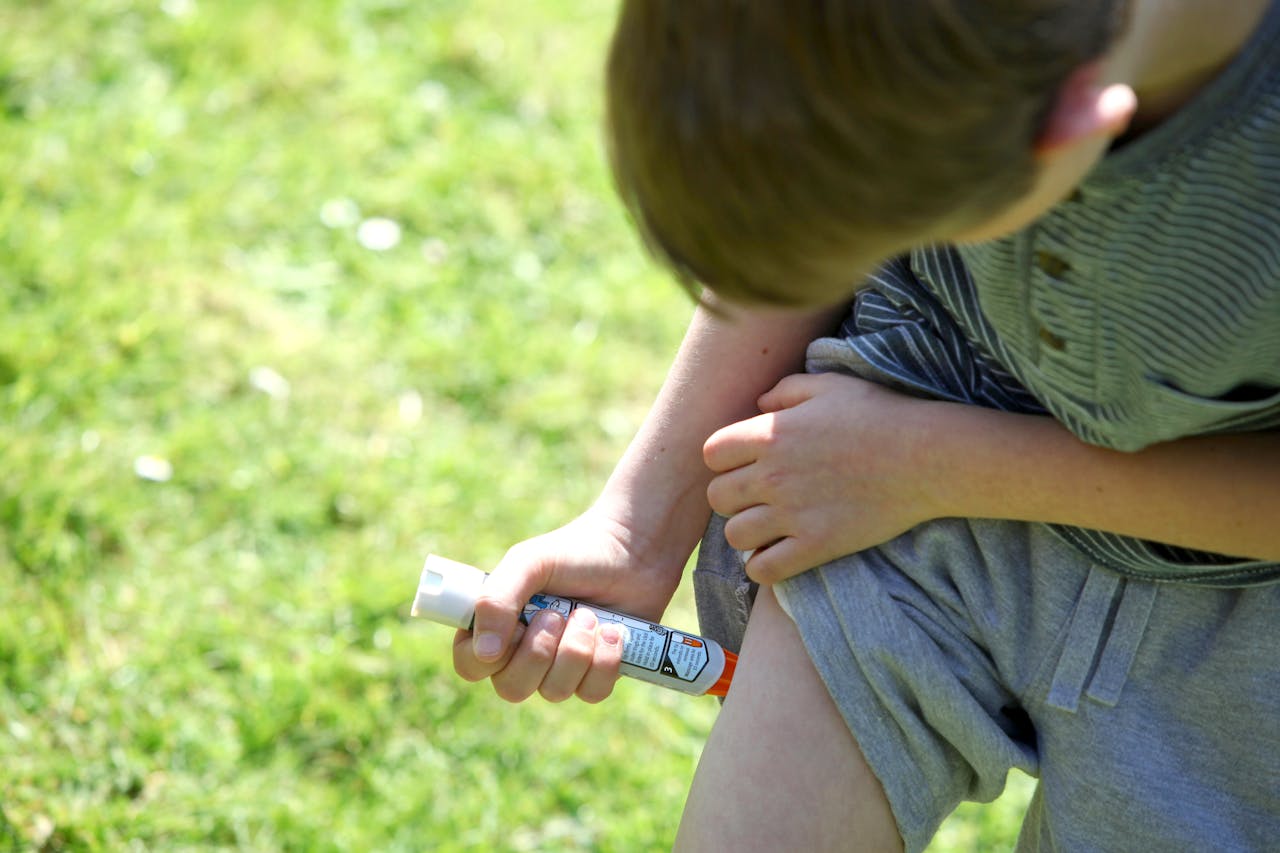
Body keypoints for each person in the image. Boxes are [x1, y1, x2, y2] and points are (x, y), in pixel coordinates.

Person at [453, 1, 1280, 849]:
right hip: (876, 462)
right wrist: (639, 526)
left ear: (1076, 125)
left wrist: (936, 464)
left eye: (910, 233)